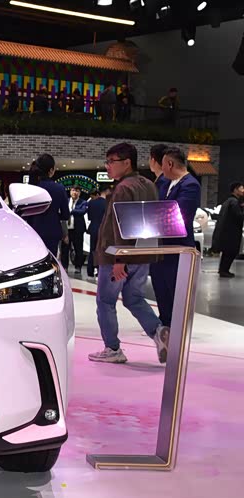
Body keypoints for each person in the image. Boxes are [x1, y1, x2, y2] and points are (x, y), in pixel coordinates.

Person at [90, 142, 169, 364]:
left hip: (118, 256)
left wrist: (120, 259)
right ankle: (158, 331)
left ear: (127, 163)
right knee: (134, 298)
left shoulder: (123, 188)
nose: (108, 166)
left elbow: (119, 226)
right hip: (143, 254)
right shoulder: (149, 184)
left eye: (111, 161)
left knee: (106, 301)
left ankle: (112, 348)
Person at [148, 147, 201, 329]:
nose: (161, 168)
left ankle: (176, 329)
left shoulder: (190, 185)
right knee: (161, 289)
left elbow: (179, 215)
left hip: (178, 248)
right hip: (161, 247)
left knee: (175, 291)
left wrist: (153, 218)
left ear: (170, 164)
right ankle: (166, 326)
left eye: (162, 164)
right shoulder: (166, 182)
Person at [23, 153, 70, 256]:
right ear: (51, 170)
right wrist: (54, 214)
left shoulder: (31, 188)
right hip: (52, 232)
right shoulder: (59, 188)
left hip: (33, 231)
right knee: (51, 260)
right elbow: (65, 215)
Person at [212, 182, 244, 277]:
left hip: (227, 231)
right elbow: (239, 216)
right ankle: (224, 271)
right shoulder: (234, 202)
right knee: (230, 252)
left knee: (227, 252)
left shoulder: (229, 201)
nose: (243, 191)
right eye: (241, 188)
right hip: (231, 233)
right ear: (235, 190)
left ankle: (223, 270)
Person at [61, 186, 88, 274]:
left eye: (77, 191)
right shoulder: (66, 201)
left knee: (78, 249)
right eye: (73, 190)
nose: (75, 192)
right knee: (65, 249)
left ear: (79, 193)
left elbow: (82, 211)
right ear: (70, 192)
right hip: (66, 229)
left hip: (78, 229)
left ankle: (78, 267)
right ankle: (64, 267)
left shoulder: (83, 202)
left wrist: (71, 211)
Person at [86, 185, 110, 280]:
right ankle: (99, 270)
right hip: (103, 229)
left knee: (92, 250)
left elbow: (89, 217)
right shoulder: (106, 203)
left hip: (93, 228)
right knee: (101, 250)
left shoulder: (90, 203)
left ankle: (90, 271)